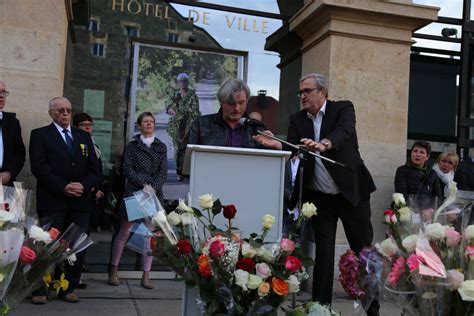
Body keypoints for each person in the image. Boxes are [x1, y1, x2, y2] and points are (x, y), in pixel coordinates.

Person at [262, 73, 379, 314]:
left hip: (351, 195)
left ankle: (373, 309)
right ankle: (320, 309)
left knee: (363, 253)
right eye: (300, 92)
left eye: (307, 91)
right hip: (320, 198)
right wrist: (278, 145)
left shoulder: (343, 108)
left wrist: (323, 144)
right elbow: (293, 146)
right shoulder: (297, 119)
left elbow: (344, 132)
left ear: (322, 92)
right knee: (323, 256)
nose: (302, 96)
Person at [29, 97, 101, 304]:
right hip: (53, 201)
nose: (65, 113)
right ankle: (39, 288)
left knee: (76, 246)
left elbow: (95, 170)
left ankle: (67, 287)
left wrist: (84, 186)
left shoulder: (83, 136)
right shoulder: (40, 135)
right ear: (51, 113)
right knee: (46, 246)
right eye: (60, 110)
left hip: (80, 202)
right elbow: (39, 167)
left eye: (68, 110)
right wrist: (63, 186)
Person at [109, 112, 167, 290]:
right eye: (145, 121)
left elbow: (162, 172)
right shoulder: (132, 146)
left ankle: (146, 275)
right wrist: (143, 184)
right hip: (135, 192)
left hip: (153, 194)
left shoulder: (161, 146)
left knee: (150, 236)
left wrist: (153, 187)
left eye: (151, 121)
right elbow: (126, 169)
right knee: (124, 233)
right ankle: (113, 271)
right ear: (139, 125)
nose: (149, 124)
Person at [176, 79, 280, 174]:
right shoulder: (201, 124)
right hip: (209, 185)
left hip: (248, 185)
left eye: (241, 102)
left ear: (247, 101)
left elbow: (270, 168)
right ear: (221, 102)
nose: (236, 108)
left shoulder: (257, 128)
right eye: (231, 103)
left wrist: (276, 148)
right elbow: (182, 160)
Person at [73, 113, 107, 232]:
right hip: (82, 191)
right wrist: (92, 188)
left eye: (90, 125)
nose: (88, 128)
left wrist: (96, 188)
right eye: (83, 125)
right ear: (76, 127)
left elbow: (96, 168)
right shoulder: (75, 143)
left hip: (91, 191)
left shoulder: (94, 145)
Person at [166, 73, 200, 163]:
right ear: (178, 83)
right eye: (180, 81)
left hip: (189, 124)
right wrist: (171, 110)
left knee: (187, 147)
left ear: (188, 82)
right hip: (177, 125)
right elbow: (169, 106)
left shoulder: (192, 95)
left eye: (185, 81)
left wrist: (185, 112)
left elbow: (195, 110)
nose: (183, 83)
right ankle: (179, 167)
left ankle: (186, 168)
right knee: (177, 147)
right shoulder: (175, 94)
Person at [0, 81, 26, 185]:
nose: (1, 96)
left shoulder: (12, 122)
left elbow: (19, 153)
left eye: (3, 92)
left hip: (5, 185)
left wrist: (9, 173)